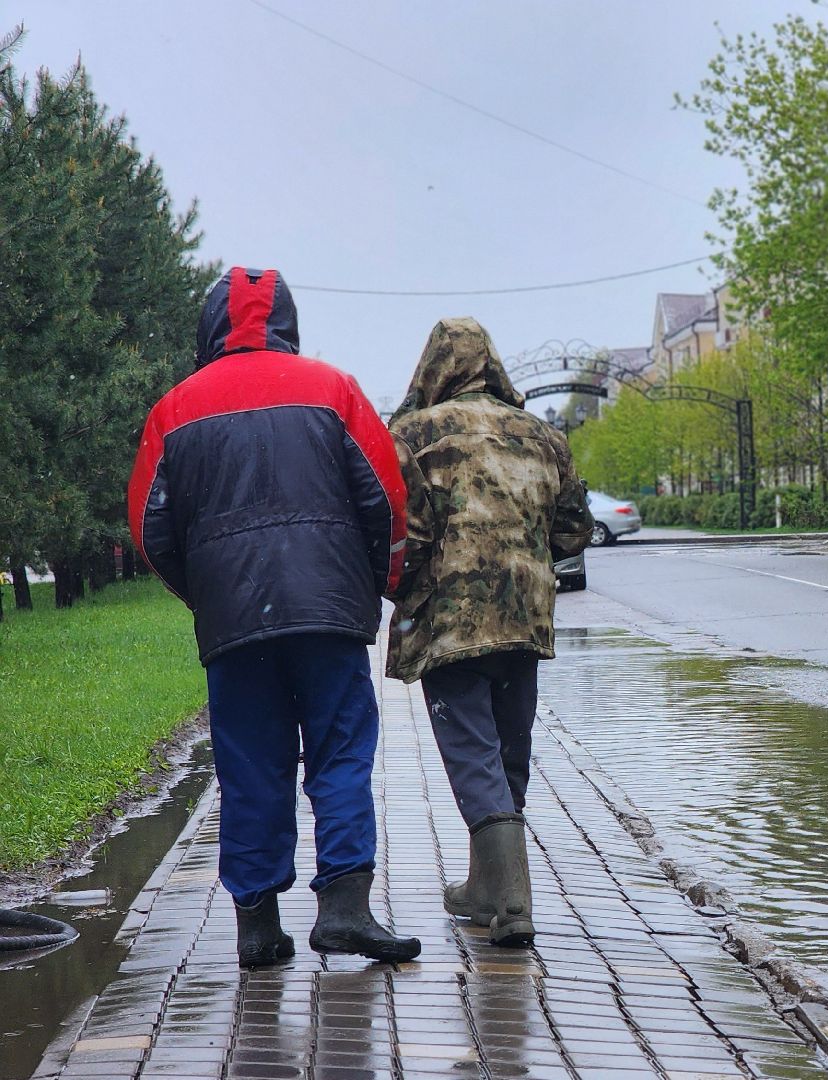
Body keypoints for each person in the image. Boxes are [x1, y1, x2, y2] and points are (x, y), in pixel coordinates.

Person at [128, 267, 422, 967]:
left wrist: (207, 592)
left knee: (250, 764)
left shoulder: (175, 409)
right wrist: (382, 582)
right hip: (329, 615)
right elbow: (384, 498)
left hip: (235, 624)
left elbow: (149, 526)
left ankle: (257, 926)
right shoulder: (334, 390)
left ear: (208, 328)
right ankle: (346, 908)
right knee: (340, 753)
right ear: (287, 322)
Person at [386, 317, 591, 947]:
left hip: (453, 618)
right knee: (508, 751)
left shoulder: (415, 434)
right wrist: (523, 557)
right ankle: (483, 888)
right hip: (526, 613)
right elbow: (574, 528)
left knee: (473, 753)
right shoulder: (541, 434)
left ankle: (509, 904)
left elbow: (406, 532)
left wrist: (407, 587)